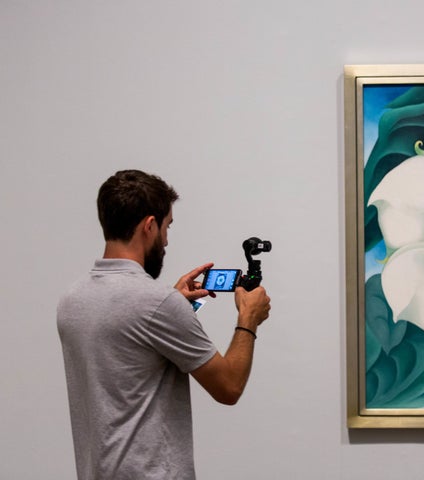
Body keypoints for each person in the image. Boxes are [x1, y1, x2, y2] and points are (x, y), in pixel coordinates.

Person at [57, 169, 271, 480]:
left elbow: (128, 347)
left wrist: (170, 305)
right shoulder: (157, 304)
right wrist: (248, 319)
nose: (167, 239)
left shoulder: (72, 299)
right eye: (167, 226)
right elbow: (229, 387)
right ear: (149, 226)